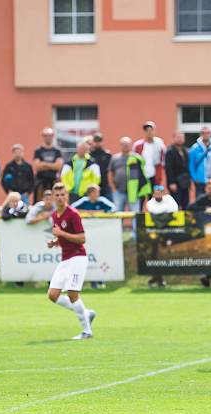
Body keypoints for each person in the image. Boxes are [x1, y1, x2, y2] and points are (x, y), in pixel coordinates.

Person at [46, 183, 96, 340]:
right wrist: (55, 241)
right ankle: (86, 313)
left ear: (67, 196)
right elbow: (62, 236)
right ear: (53, 197)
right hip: (65, 258)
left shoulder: (73, 214)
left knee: (73, 293)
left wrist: (61, 233)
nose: (60, 198)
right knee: (52, 295)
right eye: (57, 195)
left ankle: (87, 331)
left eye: (63, 195)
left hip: (78, 257)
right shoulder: (54, 215)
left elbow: (82, 238)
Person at [108, 137, 149, 213]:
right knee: (118, 214)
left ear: (131, 145)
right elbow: (110, 173)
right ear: (120, 145)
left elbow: (143, 174)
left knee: (135, 213)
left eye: (127, 144)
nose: (125, 146)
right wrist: (113, 188)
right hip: (118, 191)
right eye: (123, 144)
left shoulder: (137, 158)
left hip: (134, 192)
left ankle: (135, 226)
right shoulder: (115, 158)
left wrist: (142, 190)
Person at [189, 127, 211, 196]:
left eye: (207, 133)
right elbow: (191, 165)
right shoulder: (194, 148)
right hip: (200, 180)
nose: (205, 135)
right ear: (200, 134)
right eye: (203, 133)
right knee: (200, 201)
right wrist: (195, 178)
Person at [133, 121, 167, 188]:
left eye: (151, 130)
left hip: (155, 175)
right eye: (147, 130)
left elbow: (163, 159)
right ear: (144, 132)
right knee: (142, 196)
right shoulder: (137, 145)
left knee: (154, 196)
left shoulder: (159, 144)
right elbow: (134, 161)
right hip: (142, 175)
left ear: (154, 131)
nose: (149, 132)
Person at [164, 132, 190, 208]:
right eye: (178, 137)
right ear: (174, 138)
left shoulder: (185, 150)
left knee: (186, 204)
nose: (180, 139)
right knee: (176, 205)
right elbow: (168, 168)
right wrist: (171, 182)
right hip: (175, 183)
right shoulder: (170, 151)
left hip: (184, 183)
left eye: (182, 137)